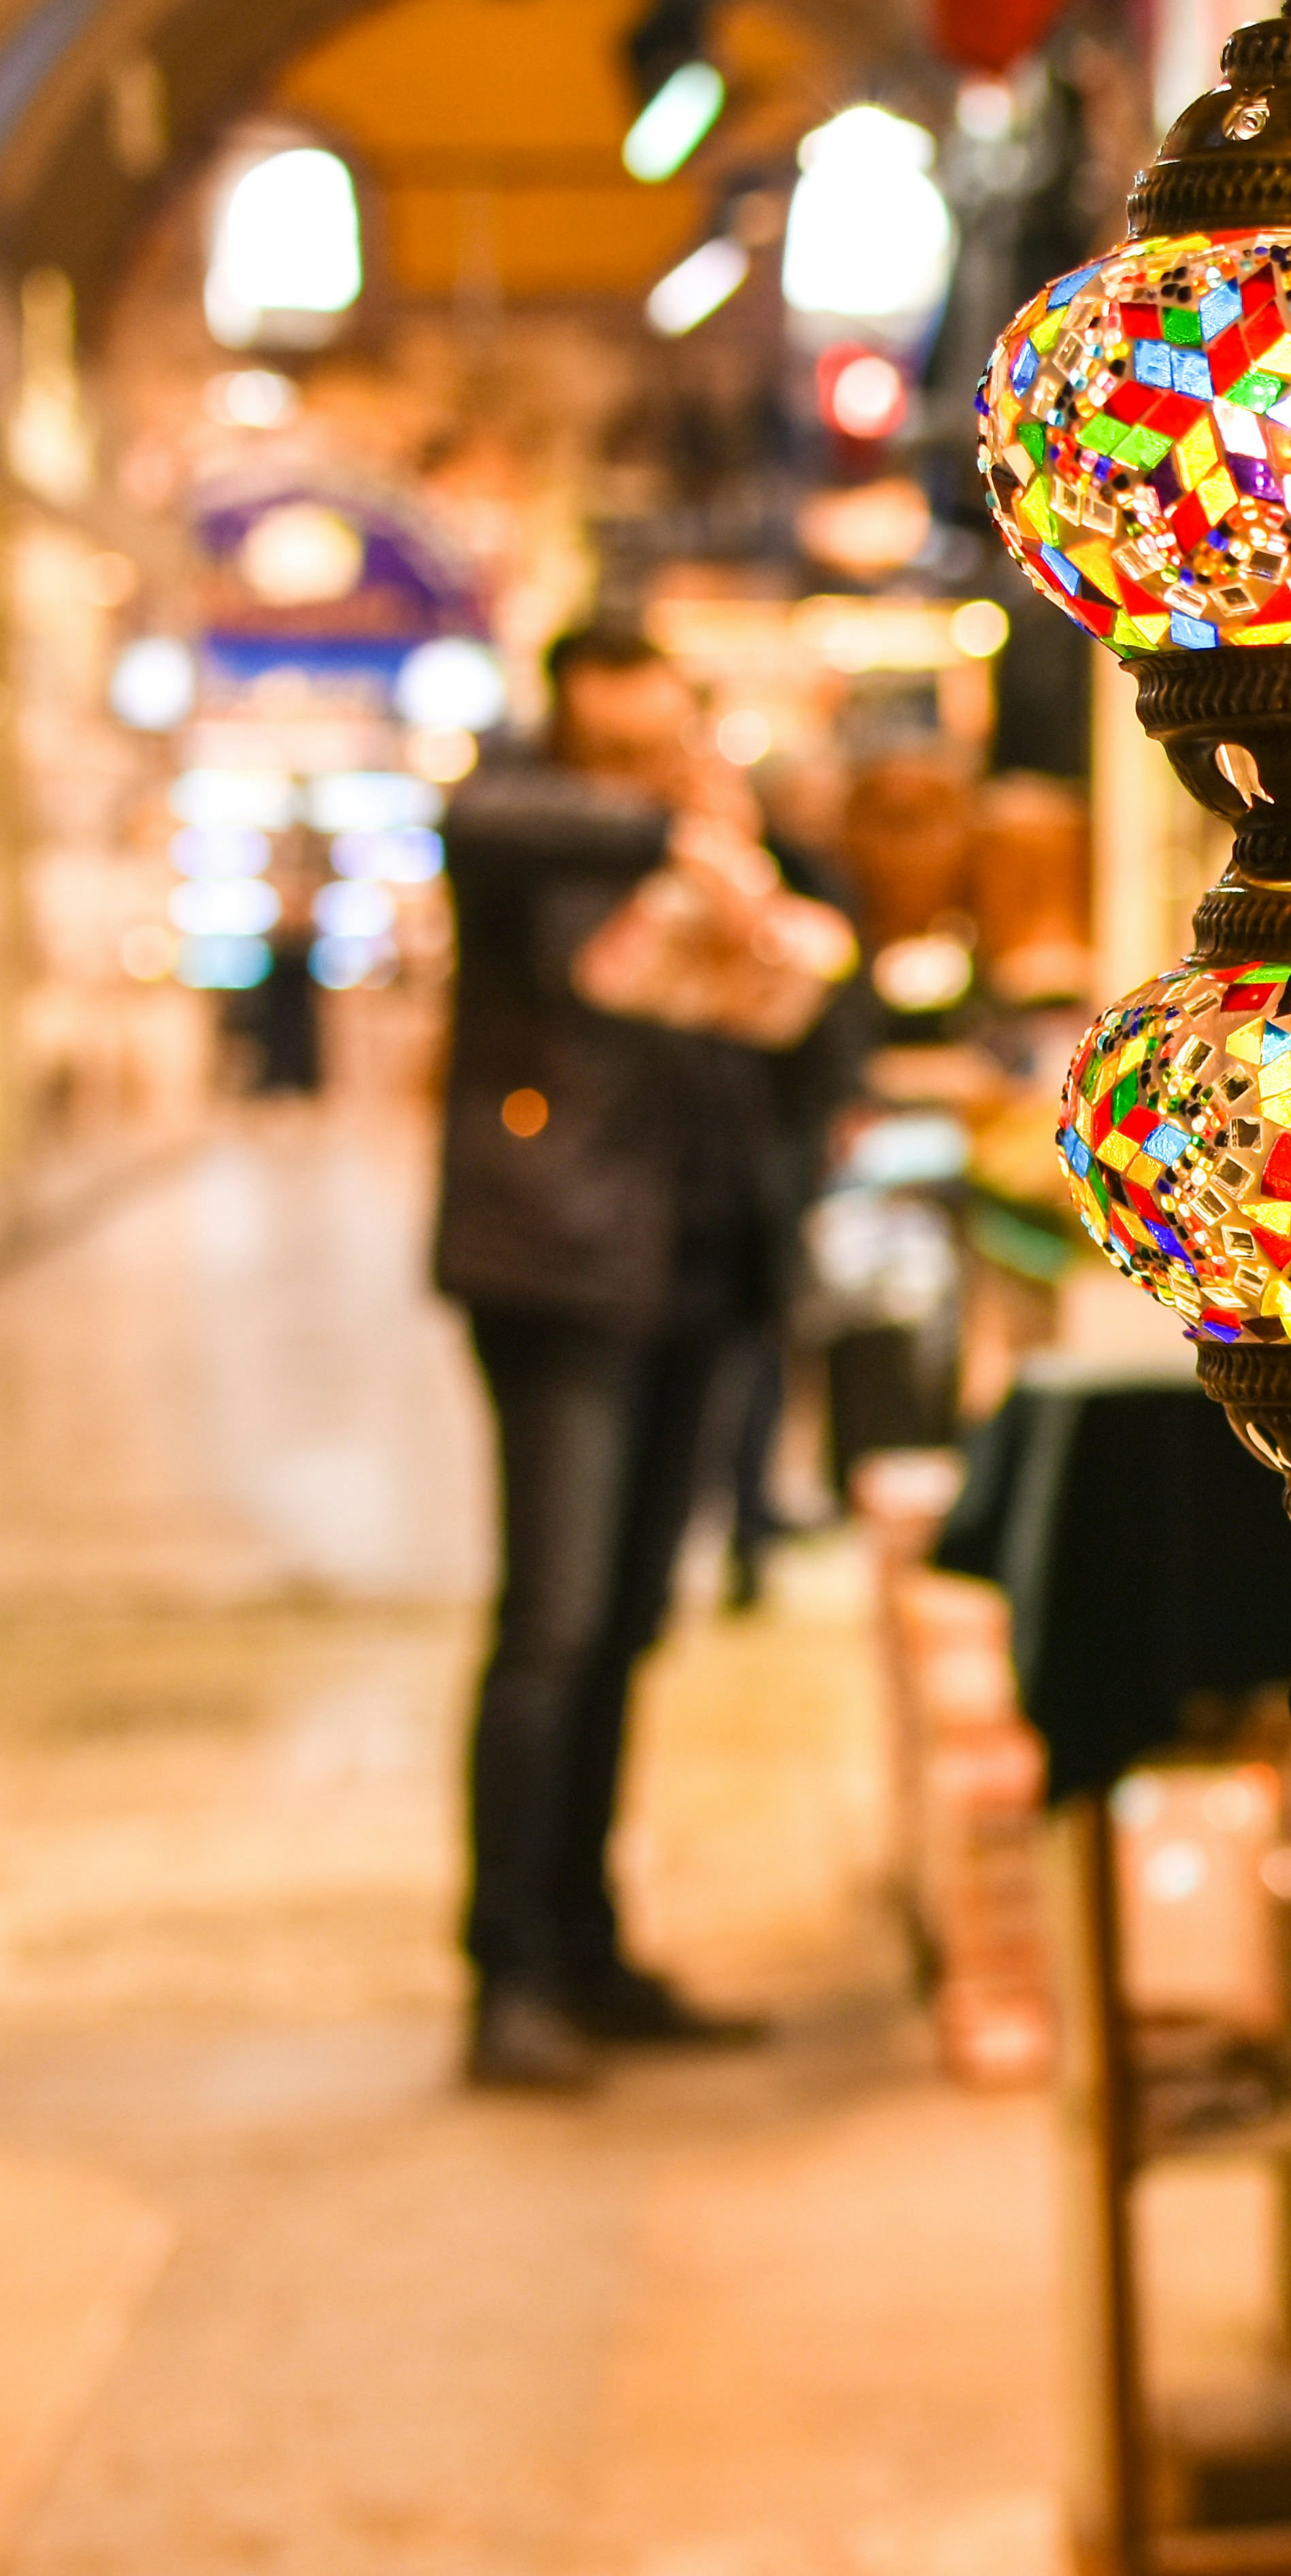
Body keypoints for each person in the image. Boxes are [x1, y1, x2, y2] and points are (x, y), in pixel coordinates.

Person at [431, 621, 848, 2089]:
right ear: (566, 742)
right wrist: (673, 819)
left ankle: (589, 1945)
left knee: (623, 1624)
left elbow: (803, 1019)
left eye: (660, 742)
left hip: (692, 1264)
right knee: (550, 1621)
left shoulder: (721, 851)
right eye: (608, 751)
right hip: (554, 1261)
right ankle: (509, 1973)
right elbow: (476, 812)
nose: (638, 774)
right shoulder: (525, 828)